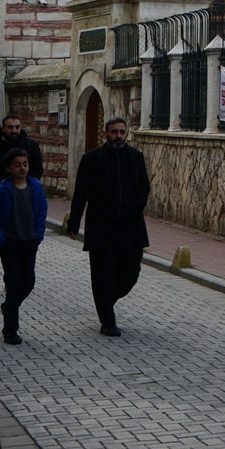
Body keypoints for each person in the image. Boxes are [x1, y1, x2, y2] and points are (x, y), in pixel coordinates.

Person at [65, 116, 150, 336]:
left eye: (122, 132)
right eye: (114, 132)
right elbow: (81, 193)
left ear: (126, 133)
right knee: (103, 274)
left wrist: (136, 206)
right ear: (106, 134)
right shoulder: (92, 159)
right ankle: (107, 320)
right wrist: (74, 223)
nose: (118, 136)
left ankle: (106, 301)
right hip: (101, 227)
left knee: (131, 272)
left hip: (130, 227)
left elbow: (144, 186)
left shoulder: (135, 157)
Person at [0, 147, 47, 345]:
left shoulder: (35, 187)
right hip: (10, 243)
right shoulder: (2, 190)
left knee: (28, 283)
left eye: (25, 164)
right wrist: (0, 239)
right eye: (17, 165)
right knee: (14, 284)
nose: (22, 168)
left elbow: (41, 212)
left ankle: (8, 307)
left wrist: (38, 235)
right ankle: (10, 329)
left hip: (29, 242)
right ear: (9, 168)